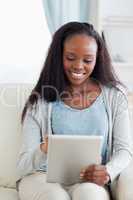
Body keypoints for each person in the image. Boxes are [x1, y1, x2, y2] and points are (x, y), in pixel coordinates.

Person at [16, 22, 133, 200]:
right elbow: (23, 165)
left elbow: (124, 150)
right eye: (70, 58)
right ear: (59, 56)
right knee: (55, 197)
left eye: (87, 60)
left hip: (88, 180)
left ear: (97, 59)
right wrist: (43, 149)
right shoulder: (39, 100)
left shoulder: (115, 97)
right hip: (41, 177)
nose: (79, 66)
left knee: (90, 196)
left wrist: (107, 171)